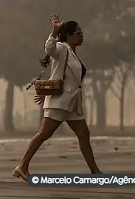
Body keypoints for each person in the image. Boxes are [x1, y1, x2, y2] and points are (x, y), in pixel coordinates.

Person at [12, 13, 102, 180]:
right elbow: (49, 48)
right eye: (78, 33)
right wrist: (54, 31)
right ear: (69, 35)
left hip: (72, 102)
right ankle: (22, 166)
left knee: (83, 134)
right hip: (60, 102)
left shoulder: (73, 53)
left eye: (82, 33)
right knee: (43, 134)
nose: (82, 36)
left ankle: (95, 172)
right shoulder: (61, 48)